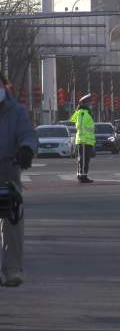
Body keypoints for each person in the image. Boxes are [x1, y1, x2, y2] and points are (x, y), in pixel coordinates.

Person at [0, 79, 38, 287]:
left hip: (6, 174)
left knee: (11, 219)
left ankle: (12, 269)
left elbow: (29, 135)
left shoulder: (16, 112)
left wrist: (26, 149)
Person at [70, 94, 96, 183]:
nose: (91, 105)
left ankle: (81, 174)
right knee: (83, 159)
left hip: (86, 139)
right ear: (86, 104)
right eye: (89, 103)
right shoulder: (83, 113)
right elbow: (80, 125)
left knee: (83, 158)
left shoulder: (85, 112)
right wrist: (83, 134)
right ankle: (83, 176)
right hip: (84, 140)